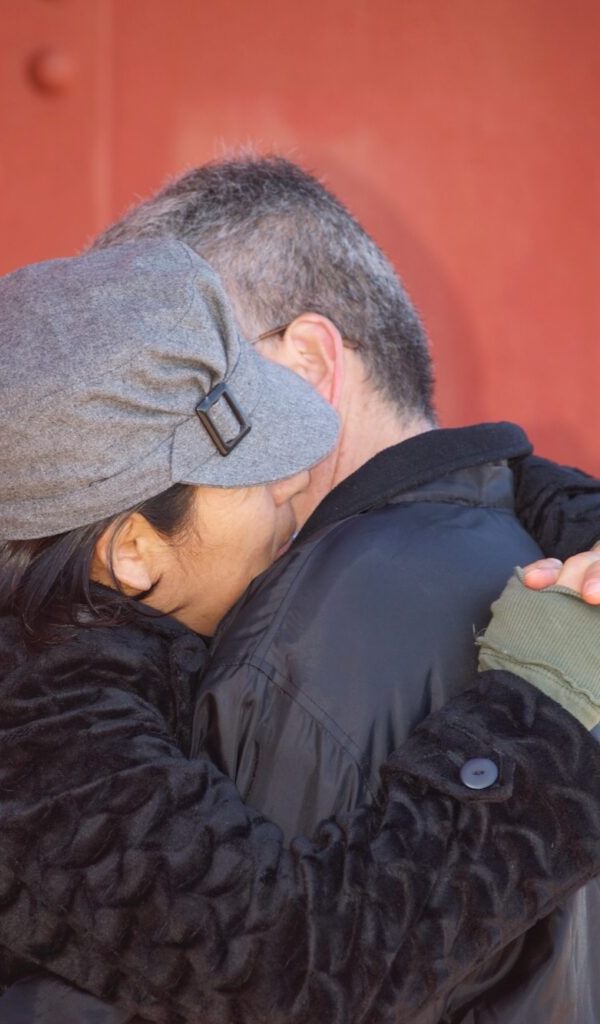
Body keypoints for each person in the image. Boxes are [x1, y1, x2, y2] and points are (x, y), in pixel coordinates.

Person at [0, 239, 600, 1024]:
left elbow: (393, 489)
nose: (296, 479)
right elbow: (308, 972)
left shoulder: (71, 590)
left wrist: (581, 524)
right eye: (254, 474)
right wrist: (547, 708)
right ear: (130, 550)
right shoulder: (19, 733)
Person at [89, 157, 600, 1022]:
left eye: (170, 397)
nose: (134, 456)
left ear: (309, 364)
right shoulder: (519, 545)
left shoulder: (317, 626)